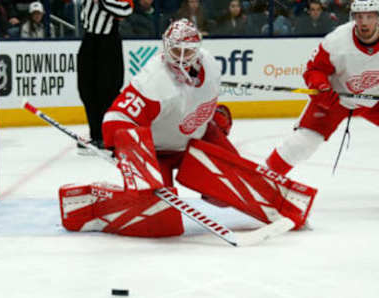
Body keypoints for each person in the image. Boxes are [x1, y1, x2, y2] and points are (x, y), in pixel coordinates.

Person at [59, 19, 316, 238]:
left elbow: (198, 104)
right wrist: (125, 151)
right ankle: (95, 203)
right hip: (157, 151)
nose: (181, 58)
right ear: (165, 47)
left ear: (198, 49)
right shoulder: (154, 80)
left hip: (195, 143)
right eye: (176, 50)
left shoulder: (212, 66)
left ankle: (283, 205)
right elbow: (116, 118)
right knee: (160, 222)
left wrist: (216, 119)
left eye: (188, 51)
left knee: (228, 192)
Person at [266, 0, 379, 175]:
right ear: (352, 18)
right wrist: (322, 88)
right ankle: (267, 177)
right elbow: (314, 70)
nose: (364, 22)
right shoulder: (337, 41)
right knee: (303, 143)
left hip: (374, 99)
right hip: (335, 100)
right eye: (359, 17)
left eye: (369, 17)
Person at [77, 0, 133, 152]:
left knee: (108, 90)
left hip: (108, 41)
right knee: (86, 89)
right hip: (89, 39)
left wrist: (102, 2)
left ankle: (108, 136)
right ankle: (96, 135)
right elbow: (83, 14)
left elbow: (126, 9)